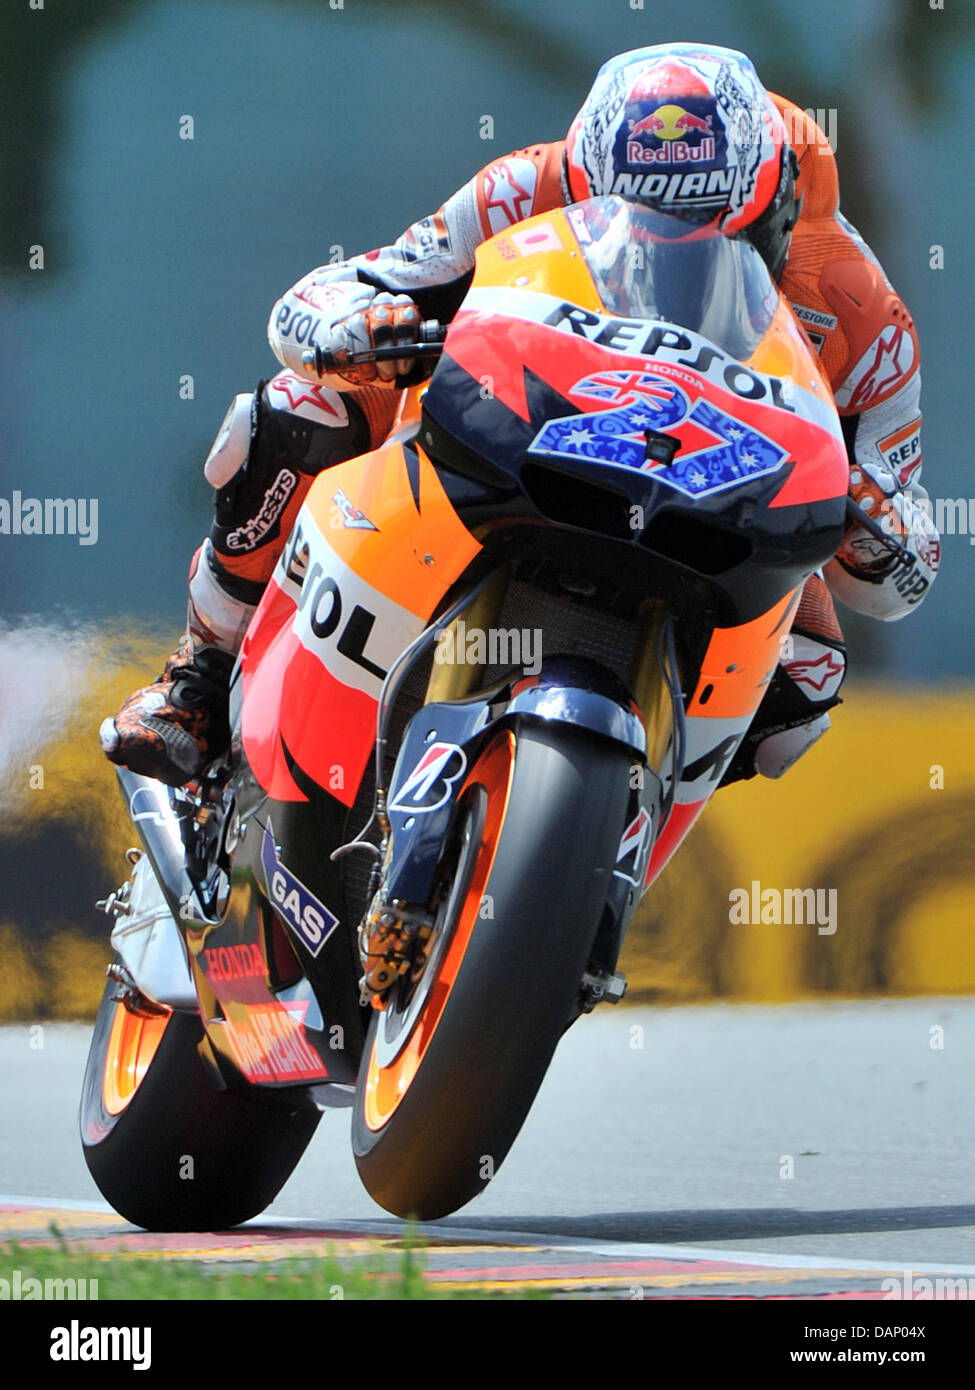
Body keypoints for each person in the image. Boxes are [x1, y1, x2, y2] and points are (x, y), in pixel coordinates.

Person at [100, 42, 939, 789]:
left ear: (777, 207)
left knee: (811, 668)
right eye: (640, 229)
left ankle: (615, 820)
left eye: (709, 237)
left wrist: (873, 526)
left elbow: (909, 561)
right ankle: (199, 679)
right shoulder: (521, 186)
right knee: (295, 410)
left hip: (702, 525)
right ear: (585, 183)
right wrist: (357, 326)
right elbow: (326, 297)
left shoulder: (857, 311)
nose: (671, 259)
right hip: (499, 442)